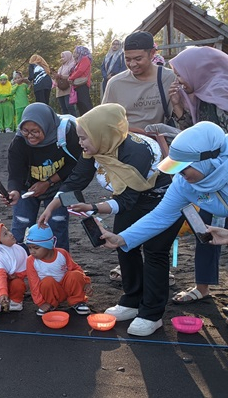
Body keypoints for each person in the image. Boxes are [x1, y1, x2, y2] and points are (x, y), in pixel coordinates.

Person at [38, 104, 176, 335]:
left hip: (161, 201)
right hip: (130, 199)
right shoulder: (97, 146)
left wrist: (92, 208)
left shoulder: (136, 152)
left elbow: (126, 200)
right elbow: (77, 179)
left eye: (83, 138)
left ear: (102, 133)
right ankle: (132, 300)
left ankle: (152, 314)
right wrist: (54, 204)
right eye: (80, 137)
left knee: (155, 252)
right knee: (125, 246)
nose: (80, 142)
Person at [100, 122, 228, 335]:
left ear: (207, 160)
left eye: (183, 167)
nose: (179, 174)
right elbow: (160, 216)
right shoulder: (184, 183)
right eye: (175, 168)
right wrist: (122, 239)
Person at [165, 46, 228, 303]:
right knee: (206, 230)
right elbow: (192, 141)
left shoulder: (222, 96)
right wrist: (179, 108)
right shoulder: (199, 96)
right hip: (208, 178)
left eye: (180, 74)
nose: (178, 81)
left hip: (222, 175)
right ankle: (202, 287)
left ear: (198, 70)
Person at [1, 103, 81, 250]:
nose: (30, 136)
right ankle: (21, 261)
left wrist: (48, 182)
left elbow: (75, 165)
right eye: (25, 130)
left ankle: (59, 260)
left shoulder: (66, 133)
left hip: (61, 186)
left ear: (46, 126)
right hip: (28, 188)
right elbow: (15, 173)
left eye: (35, 131)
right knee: (22, 224)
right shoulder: (19, 142)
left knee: (57, 223)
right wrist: (14, 191)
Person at [102, 31, 176, 129]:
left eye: (138, 59)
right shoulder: (115, 83)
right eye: (128, 59)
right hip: (127, 136)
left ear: (152, 53)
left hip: (160, 136)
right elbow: (105, 120)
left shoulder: (169, 78)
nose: (132, 64)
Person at [24, 224, 91, 316]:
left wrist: (86, 282)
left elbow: (76, 268)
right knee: (47, 282)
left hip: (67, 288)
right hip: (50, 292)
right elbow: (33, 283)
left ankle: (77, 302)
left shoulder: (62, 253)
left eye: (36, 248)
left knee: (75, 274)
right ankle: (50, 304)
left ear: (48, 245)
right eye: (29, 248)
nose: (32, 252)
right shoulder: (31, 260)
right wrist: (40, 302)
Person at [0, 221, 27, 312]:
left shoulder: (19, 250)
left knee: (18, 283)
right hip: (0, 283)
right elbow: (0, 275)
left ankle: (16, 300)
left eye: (8, 231)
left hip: (13, 283)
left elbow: (26, 268)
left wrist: (18, 276)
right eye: (5, 234)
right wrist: (3, 293)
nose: (10, 234)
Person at [68, 46, 94, 115]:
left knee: (84, 103)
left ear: (81, 52)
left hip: (83, 84)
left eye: (76, 52)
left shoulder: (85, 59)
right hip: (77, 84)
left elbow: (80, 71)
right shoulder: (77, 61)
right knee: (80, 104)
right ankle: (83, 118)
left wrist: (71, 78)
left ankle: (91, 117)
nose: (74, 54)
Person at [55, 51, 76, 115]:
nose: (62, 58)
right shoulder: (60, 68)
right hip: (60, 90)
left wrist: (61, 76)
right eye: (61, 57)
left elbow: (73, 76)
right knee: (63, 109)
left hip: (68, 89)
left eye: (63, 57)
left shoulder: (72, 65)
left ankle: (73, 120)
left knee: (69, 107)